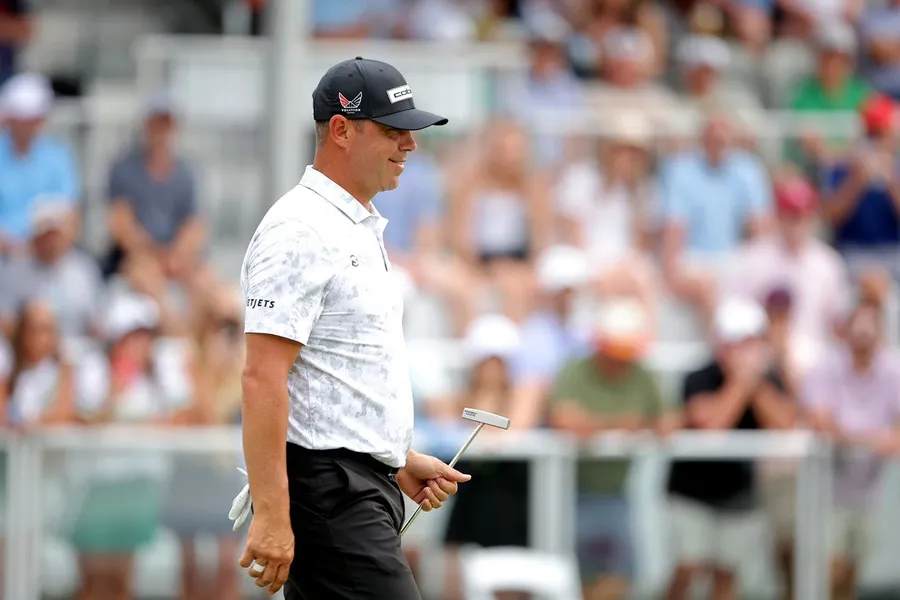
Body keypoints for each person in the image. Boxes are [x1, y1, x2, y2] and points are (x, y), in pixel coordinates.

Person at [231, 57, 470, 599]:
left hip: (354, 488)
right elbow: (262, 378)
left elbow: (332, 373)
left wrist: (394, 459)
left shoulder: (348, 225)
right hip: (331, 495)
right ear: (341, 129)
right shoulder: (300, 230)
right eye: (392, 131)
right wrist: (272, 515)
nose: (410, 145)